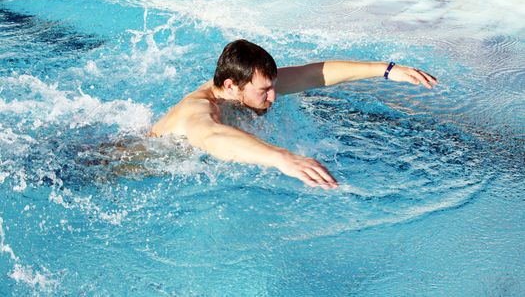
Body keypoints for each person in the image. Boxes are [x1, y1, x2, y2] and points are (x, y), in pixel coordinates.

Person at [149, 39, 438, 189]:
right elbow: (211, 136)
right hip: (132, 164)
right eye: (265, 91)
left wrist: (386, 70)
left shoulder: (244, 88)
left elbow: (313, 74)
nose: (273, 96)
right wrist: (281, 157)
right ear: (230, 85)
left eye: (273, 87)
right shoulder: (198, 109)